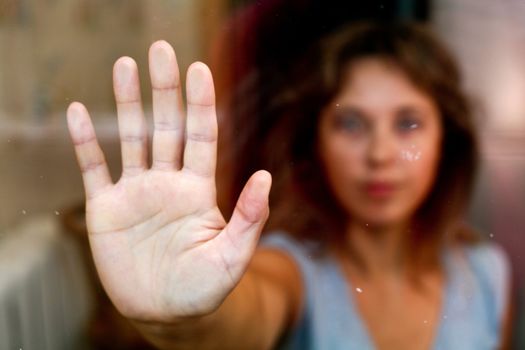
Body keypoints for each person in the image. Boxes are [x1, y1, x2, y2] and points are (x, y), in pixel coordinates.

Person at [66, 21, 512, 349]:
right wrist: (179, 319)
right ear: (316, 142)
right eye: (351, 123)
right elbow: (242, 315)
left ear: (446, 141)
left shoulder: (489, 273)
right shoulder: (288, 269)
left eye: (408, 123)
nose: (380, 154)